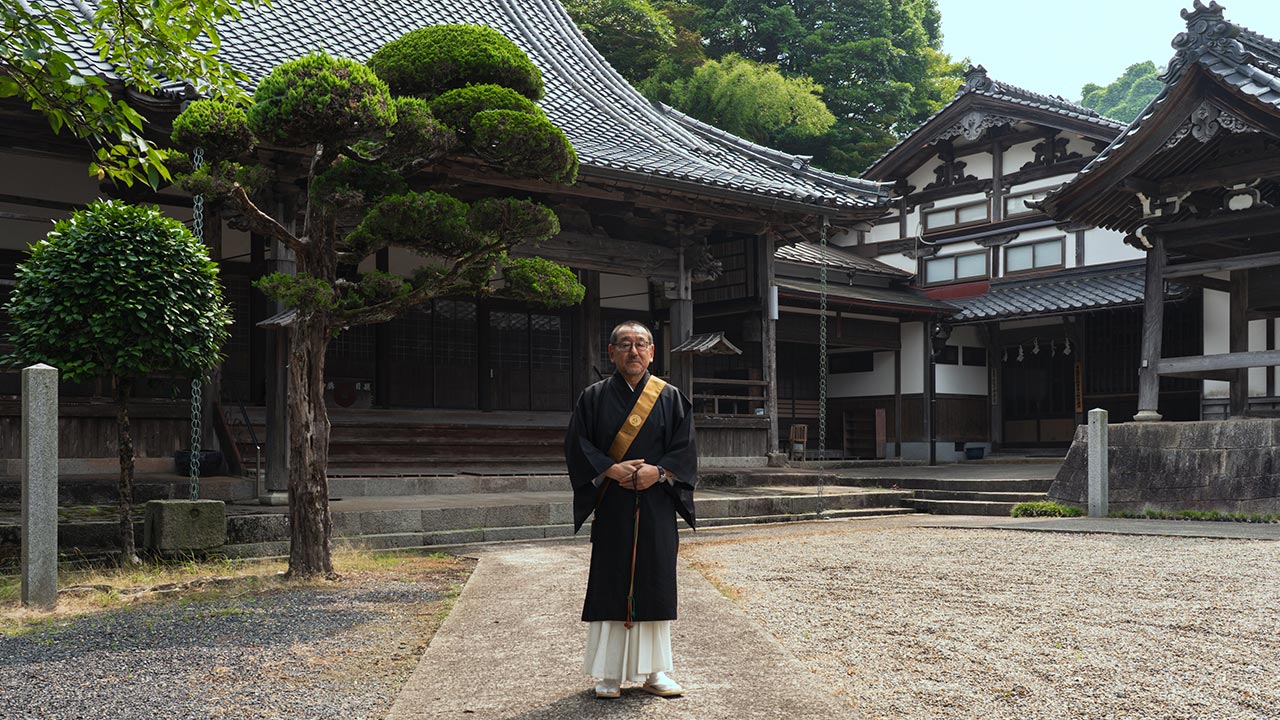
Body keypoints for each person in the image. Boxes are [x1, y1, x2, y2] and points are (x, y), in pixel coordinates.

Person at [564, 320, 698, 699]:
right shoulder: (592, 397)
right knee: (610, 582)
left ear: (652, 352)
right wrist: (609, 468)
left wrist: (660, 471)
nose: (633, 351)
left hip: (656, 503)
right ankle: (608, 674)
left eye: (641, 344)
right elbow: (577, 444)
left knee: (654, 582)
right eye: (625, 344)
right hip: (612, 502)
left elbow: (685, 448)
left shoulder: (671, 397)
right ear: (611, 353)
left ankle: (655, 671)